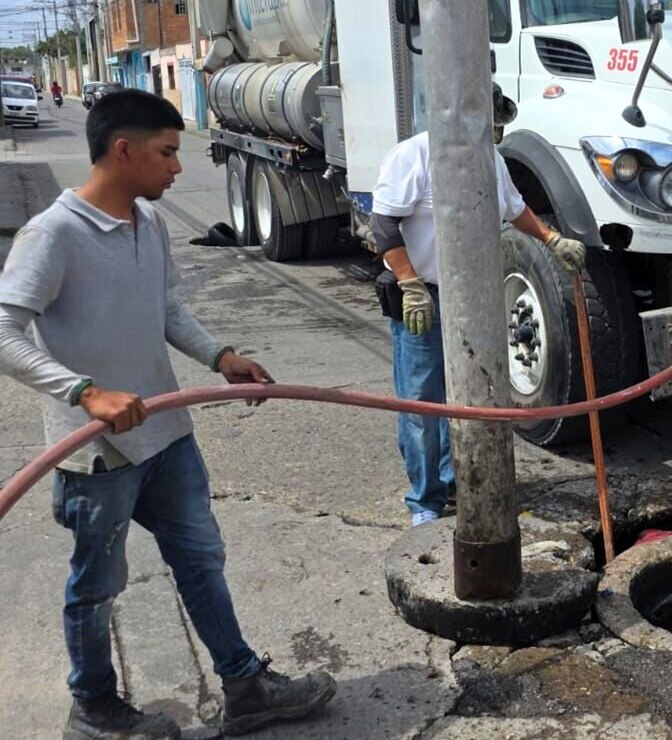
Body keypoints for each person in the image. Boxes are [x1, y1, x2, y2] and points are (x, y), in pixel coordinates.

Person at [0, 89, 336, 739]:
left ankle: (245, 686)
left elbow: (168, 309)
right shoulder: (54, 233)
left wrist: (221, 356)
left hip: (165, 430)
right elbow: (4, 328)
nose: (177, 168)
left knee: (201, 558)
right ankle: (93, 707)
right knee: (96, 586)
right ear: (122, 151)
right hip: (95, 448)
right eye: (167, 153)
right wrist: (82, 392)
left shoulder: (147, 222)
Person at [371, 83, 585, 528]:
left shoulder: (492, 160)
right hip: (423, 297)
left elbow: (514, 209)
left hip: (472, 297)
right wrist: (409, 283)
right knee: (422, 403)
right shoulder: (414, 157)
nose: (496, 130)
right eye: (492, 121)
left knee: (467, 395)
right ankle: (426, 501)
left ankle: (455, 482)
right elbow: (384, 222)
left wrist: (551, 239)